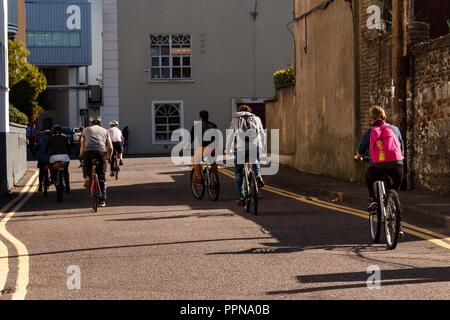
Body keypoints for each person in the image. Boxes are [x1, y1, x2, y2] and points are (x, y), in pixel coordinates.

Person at [355, 106, 404, 213]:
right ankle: (397, 223)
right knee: (394, 192)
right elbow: (401, 149)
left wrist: (358, 157)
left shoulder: (370, 131)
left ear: (371, 118)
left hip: (378, 166)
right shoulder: (395, 129)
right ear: (384, 117)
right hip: (397, 165)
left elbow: (361, 150)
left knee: (368, 175)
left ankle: (374, 199)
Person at [226, 105, 266, 206]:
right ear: (250, 111)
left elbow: (230, 135)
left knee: (239, 171)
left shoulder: (235, 119)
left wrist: (228, 150)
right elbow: (262, 134)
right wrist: (263, 147)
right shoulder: (256, 118)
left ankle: (242, 196)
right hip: (255, 146)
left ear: (239, 111)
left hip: (241, 149)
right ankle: (257, 175)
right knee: (254, 159)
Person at [80, 115, 113, 207]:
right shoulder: (105, 131)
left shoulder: (85, 130)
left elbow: (82, 145)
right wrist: (109, 158)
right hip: (101, 152)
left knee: (86, 165)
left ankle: (87, 176)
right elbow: (110, 147)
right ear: (100, 123)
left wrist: (81, 155)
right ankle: (102, 200)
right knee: (102, 177)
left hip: (88, 152)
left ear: (90, 123)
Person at [190, 110, 218, 184]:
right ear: (208, 116)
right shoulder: (213, 125)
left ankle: (199, 179)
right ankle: (215, 177)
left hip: (202, 147)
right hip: (213, 147)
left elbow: (191, 138)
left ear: (200, 117)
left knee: (195, 160)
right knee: (213, 162)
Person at [46, 125, 72, 193]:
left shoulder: (51, 138)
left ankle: (53, 178)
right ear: (61, 131)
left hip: (54, 157)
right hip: (64, 157)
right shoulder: (65, 138)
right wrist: (70, 152)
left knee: (52, 168)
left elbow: (47, 147)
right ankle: (67, 186)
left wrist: (45, 152)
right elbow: (69, 147)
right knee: (66, 171)